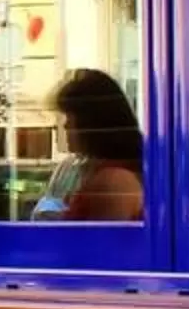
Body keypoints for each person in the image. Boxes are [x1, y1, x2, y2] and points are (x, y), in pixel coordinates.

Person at [51, 66, 144, 221]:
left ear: (87, 122)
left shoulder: (113, 183)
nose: (65, 126)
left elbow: (101, 242)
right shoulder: (103, 175)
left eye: (69, 118)